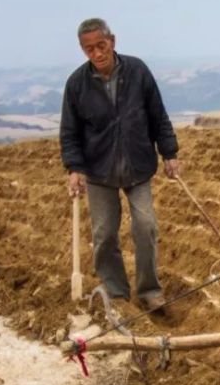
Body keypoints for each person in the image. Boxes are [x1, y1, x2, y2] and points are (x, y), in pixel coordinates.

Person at [59, 17, 179, 312]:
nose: (97, 53)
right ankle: (116, 292)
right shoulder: (76, 84)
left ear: (112, 41)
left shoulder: (137, 71)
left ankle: (150, 291)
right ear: (83, 50)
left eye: (101, 45)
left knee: (146, 226)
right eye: (90, 49)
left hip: (138, 167)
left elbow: (157, 115)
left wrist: (170, 153)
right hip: (99, 170)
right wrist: (75, 168)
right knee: (104, 235)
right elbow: (70, 132)